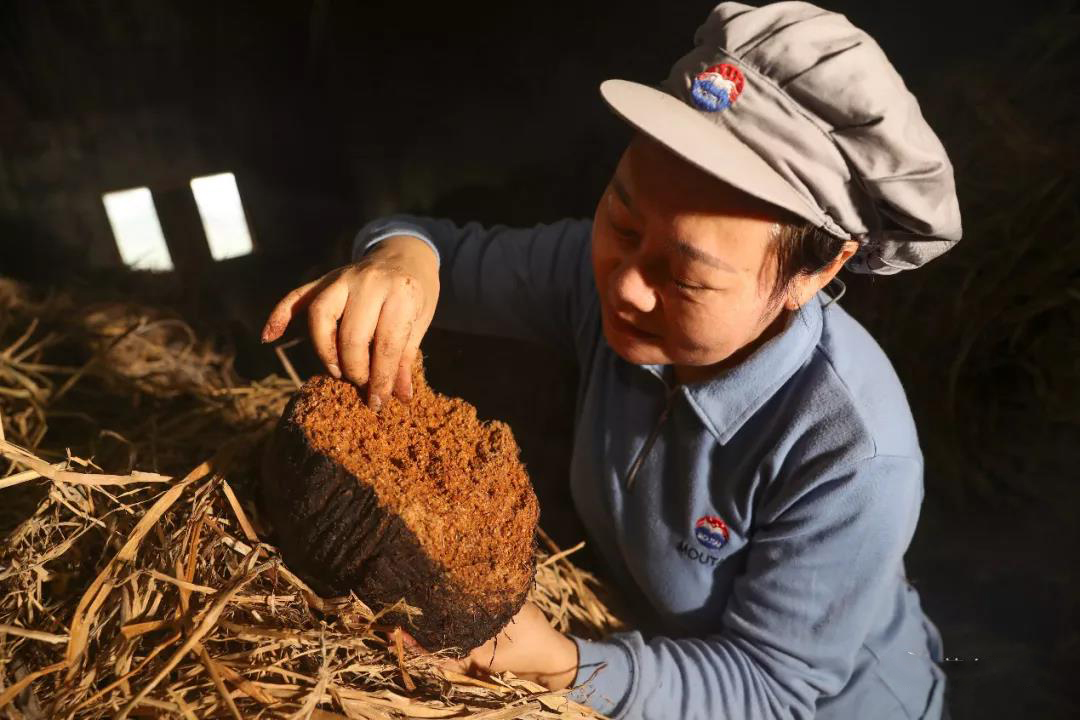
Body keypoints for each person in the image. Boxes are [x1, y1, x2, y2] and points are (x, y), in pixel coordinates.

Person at [261, 2, 960, 718]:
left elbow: (772, 687)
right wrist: (399, 258)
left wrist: (565, 662)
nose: (623, 283)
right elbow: (438, 251)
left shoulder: (852, 451)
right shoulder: (592, 278)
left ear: (815, 272)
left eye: (686, 276)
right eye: (622, 219)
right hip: (657, 640)